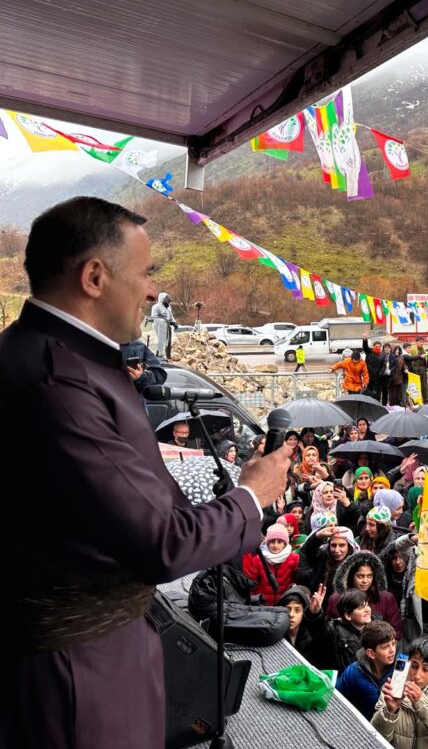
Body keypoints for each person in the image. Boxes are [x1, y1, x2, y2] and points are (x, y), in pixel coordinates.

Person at [0, 196, 291, 748]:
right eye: (146, 272)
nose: (154, 291)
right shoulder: (58, 384)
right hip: (77, 681)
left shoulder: (45, 357)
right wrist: (252, 496)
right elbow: (161, 543)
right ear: (93, 276)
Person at [371, 635, 428, 749]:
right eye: (414, 666)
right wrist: (390, 710)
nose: (417, 675)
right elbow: (376, 737)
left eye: (426, 669)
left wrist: (422, 702)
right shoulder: (393, 688)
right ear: (408, 662)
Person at [338, 620, 398, 719]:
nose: (392, 650)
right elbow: (337, 698)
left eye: (393, 643)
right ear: (371, 653)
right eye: (385, 647)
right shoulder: (353, 672)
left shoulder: (402, 667)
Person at [150, 290, 177, 358]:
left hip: (167, 326)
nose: (168, 302)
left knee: (168, 341)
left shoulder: (168, 307)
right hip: (159, 326)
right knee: (160, 340)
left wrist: (174, 322)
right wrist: (165, 321)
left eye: (169, 300)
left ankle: (167, 354)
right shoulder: (156, 307)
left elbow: (171, 316)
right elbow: (154, 318)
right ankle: (159, 354)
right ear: (162, 299)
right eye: (167, 300)